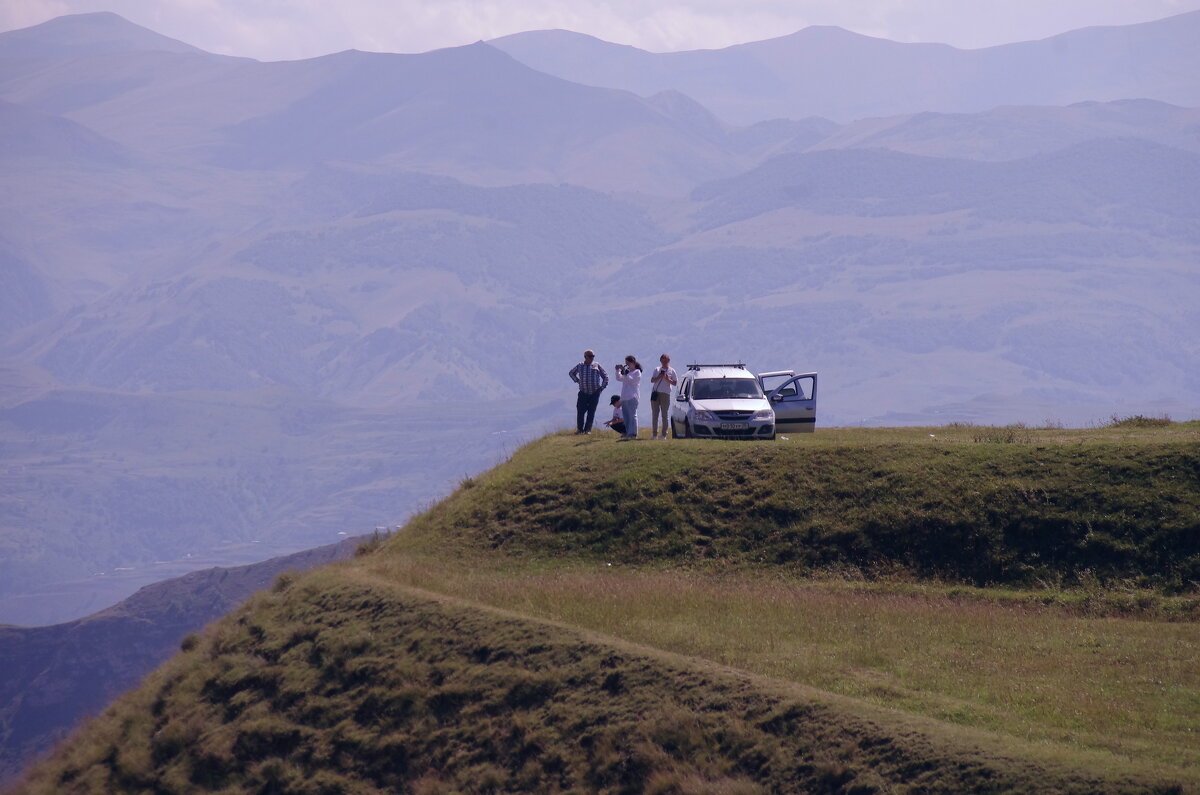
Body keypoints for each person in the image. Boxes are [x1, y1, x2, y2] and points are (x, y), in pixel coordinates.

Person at [568, 349, 609, 434]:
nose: (592, 358)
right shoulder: (580, 365)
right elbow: (571, 373)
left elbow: (605, 376)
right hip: (583, 392)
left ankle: (588, 430)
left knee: (591, 411)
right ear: (585, 357)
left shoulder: (597, 365)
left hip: (595, 393)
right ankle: (580, 429)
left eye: (593, 356)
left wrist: (602, 387)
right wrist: (578, 381)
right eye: (590, 356)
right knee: (580, 411)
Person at [648, 353, 678, 440]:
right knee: (655, 414)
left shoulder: (672, 371)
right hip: (656, 393)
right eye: (663, 360)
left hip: (665, 394)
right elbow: (652, 380)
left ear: (669, 361)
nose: (665, 362)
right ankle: (654, 434)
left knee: (664, 414)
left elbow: (675, 383)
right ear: (660, 361)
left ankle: (664, 434)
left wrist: (667, 379)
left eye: (666, 360)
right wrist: (659, 376)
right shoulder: (657, 369)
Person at [614, 354, 643, 440]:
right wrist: (617, 370)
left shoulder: (637, 372)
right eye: (626, 363)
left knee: (632, 415)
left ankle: (633, 433)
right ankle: (628, 432)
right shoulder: (628, 372)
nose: (627, 365)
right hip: (624, 397)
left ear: (633, 363)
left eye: (628, 363)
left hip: (632, 397)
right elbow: (619, 378)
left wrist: (626, 373)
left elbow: (633, 382)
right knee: (626, 417)